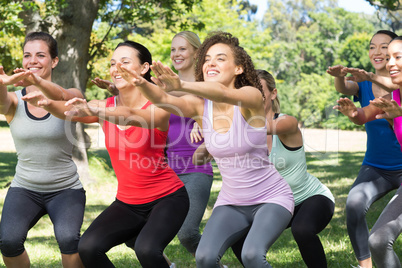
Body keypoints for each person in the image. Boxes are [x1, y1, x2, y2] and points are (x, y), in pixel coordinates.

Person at [110, 31, 295, 268]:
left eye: (220, 58)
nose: (211, 63)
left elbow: (225, 93)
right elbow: (166, 101)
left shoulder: (250, 96)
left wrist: (184, 84)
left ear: (238, 68)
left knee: (251, 255)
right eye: (207, 59)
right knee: (205, 258)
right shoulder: (200, 106)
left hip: (271, 197)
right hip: (231, 201)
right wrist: (140, 82)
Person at [22, 40, 190, 268]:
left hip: (167, 198)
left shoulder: (159, 105)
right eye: (112, 63)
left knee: (147, 250)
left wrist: (97, 109)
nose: (116, 68)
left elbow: (130, 114)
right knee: (88, 248)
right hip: (128, 202)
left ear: (144, 68)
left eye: (125, 62)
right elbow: (69, 110)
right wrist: (48, 103)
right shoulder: (104, 105)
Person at [93, 31, 214, 266]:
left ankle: (213, 263)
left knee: (187, 233)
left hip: (195, 166)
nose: (176, 54)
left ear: (196, 53)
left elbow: (221, 117)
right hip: (163, 167)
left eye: (182, 48)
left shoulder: (205, 88)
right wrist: (117, 90)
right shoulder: (163, 86)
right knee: (136, 238)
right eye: (173, 49)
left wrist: (204, 127)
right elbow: (139, 105)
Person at [222, 70, 334, 268]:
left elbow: (261, 127)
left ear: (273, 93)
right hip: (273, 204)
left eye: (260, 90)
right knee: (235, 236)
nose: (254, 96)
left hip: (308, 198)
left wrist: (222, 125)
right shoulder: (240, 132)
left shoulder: (287, 122)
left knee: (302, 229)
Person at [0, 32, 86, 268]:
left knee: (69, 239)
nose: (32, 60)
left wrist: (38, 84)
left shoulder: (71, 96)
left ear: (54, 61)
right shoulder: (15, 101)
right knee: (8, 241)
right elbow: (1, 102)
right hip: (25, 188)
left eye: (40, 55)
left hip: (65, 189)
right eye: (27, 55)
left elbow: (72, 104)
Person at [328, 30, 402, 268]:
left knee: (381, 240)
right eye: (374, 47)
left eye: (394, 55)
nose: (386, 59)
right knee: (362, 214)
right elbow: (364, 114)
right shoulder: (376, 90)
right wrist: (353, 113)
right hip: (378, 166)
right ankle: (365, 264)